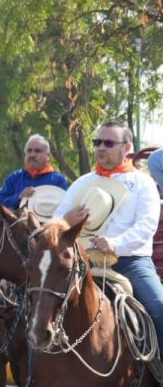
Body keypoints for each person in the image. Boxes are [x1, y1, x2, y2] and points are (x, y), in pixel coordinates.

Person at [58, 121, 162, 347]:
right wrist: (65, 221)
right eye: (97, 142)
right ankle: (30, 378)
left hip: (131, 262)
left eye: (108, 143)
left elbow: (147, 225)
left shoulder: (143, 183)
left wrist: (115, 244)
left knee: (160, 309)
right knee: (37, 304)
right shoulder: (82, 183)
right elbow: (54, 223)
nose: (100, 148)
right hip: (81, 262)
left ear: (127, 148)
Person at [0, 134, 70, 210]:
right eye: (29, 151)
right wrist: (19, 197)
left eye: (37, 151)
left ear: (48, 156)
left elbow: (65, 208)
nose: (32, 155)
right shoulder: (14, 177)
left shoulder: (58, 180)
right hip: (15, 222)